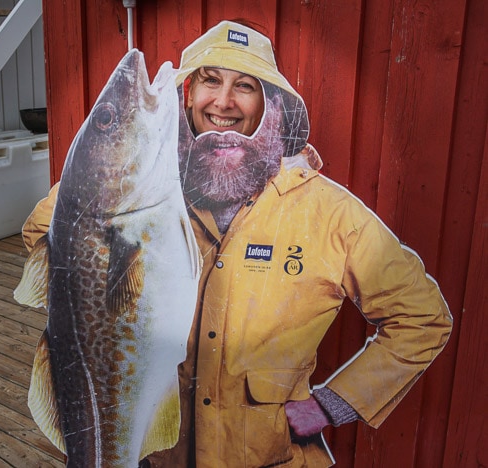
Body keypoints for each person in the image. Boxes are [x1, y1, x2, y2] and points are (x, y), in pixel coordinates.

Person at [22, 20, 452, 467]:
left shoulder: (332, 214)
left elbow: (423, 317)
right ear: (186, 98)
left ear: (274, 109)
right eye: (209, 80)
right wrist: (111, 172)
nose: (223, 102)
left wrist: (332, 403)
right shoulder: (154, 190)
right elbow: (41, 234)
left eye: (245, 86)